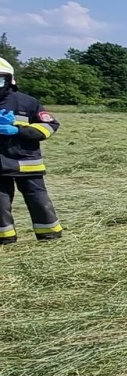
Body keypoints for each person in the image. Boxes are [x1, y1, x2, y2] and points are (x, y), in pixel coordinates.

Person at [0, 58, 62, 245]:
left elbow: (50, 126)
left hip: (26, 163)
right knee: (0, 204)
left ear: (9, 79)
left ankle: (49, 235)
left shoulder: (27, 102)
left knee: (39, 201)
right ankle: (5, 239)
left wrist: (18, 129)